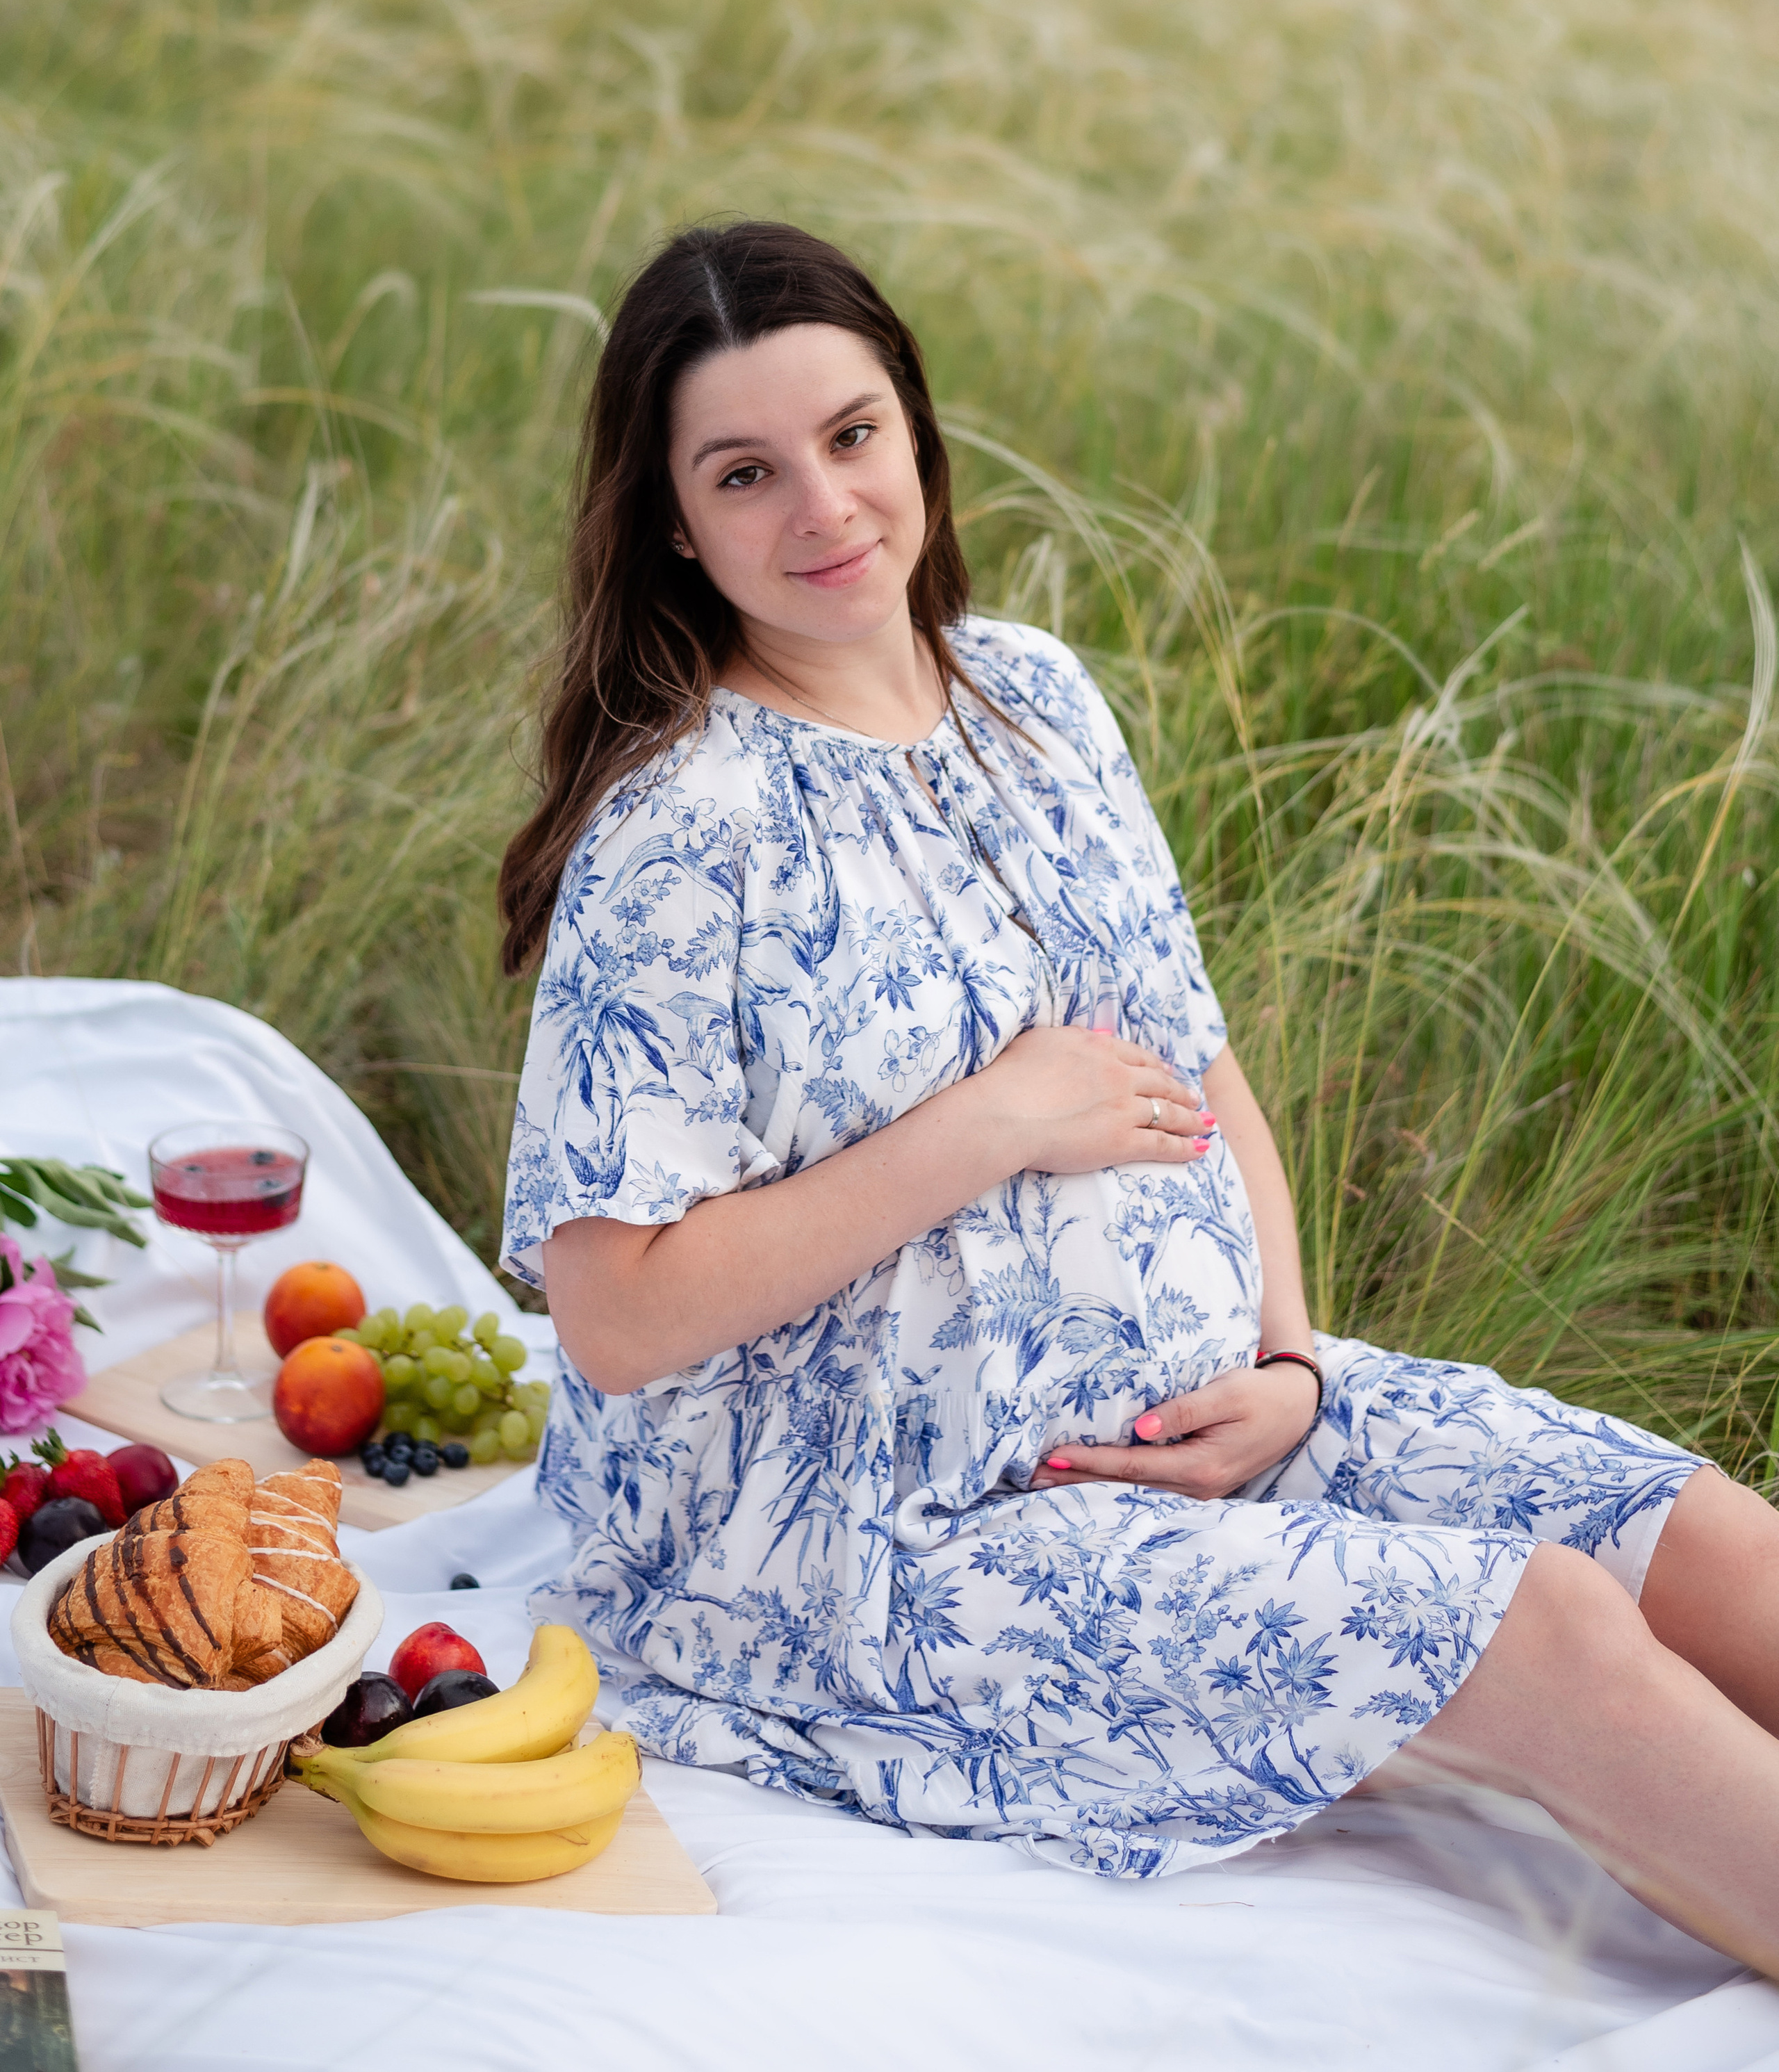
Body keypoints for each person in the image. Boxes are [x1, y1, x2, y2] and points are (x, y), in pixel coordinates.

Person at [498, 218, 1779, 1966]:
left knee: (1705, 1547)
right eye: (745, 473)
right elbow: (615, 1318)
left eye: (853, 436)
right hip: (898, 1543)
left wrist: (1287, 1362)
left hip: (1207, 1420)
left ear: (917, 437)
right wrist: (986, 1128)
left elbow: (1197, 1059)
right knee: (1545, 1631)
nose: (824, 509)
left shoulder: (1031, 696)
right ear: (673, 521)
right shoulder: (682, 834)